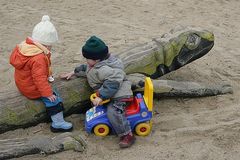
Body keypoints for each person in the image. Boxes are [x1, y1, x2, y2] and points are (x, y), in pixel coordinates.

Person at [61, 36, 135, 148]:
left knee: (113, 112)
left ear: (96, 59)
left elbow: (113, 83)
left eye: (87, 59)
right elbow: (86, 68)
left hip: (118, 94)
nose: (86, 61)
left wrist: (101, 96)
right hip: (107, 92)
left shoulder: (104, 69)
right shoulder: (96, 64)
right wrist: (73, 72)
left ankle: (126, 134)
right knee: (98, 107)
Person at [9, 15, 73, 132]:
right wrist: (48, 94)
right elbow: (39, 79)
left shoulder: (25, 46)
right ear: (46, 44)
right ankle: (57, 123)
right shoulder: (38, 58)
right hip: (31, 88)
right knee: (55, 100)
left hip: (22, 83)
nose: (51, 47)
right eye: (51, 45)